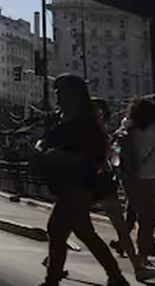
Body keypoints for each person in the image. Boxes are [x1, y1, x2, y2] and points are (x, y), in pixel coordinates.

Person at [35, 75, 128, 286]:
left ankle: (52, 281)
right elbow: (46, 142)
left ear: (75, 96)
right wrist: (40, 149)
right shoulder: (59, 120)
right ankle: (116, 277)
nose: (57, 95)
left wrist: (59, 156)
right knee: (85, 233)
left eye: (61, 91)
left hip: (80, 185)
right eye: (56, 90)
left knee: (56, 229)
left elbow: (93, 155)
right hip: (65, 184)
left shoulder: (86, 124)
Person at [89, 99, 155, 281]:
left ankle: (132, 264)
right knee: (144, 217)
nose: (102, 117)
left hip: (120, 180)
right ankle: (139, 262)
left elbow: (113, 155)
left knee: (126, 217)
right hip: (141, 177)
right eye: (100, 114)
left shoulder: (122, 130)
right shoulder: (150, 131)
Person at [122, 99, 155, 262]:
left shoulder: (125, 127)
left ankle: (127, 244)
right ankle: (143, 254)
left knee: (134, 211)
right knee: (147, 217)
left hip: (129, 177)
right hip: (150, 176)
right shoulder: (152, 131)